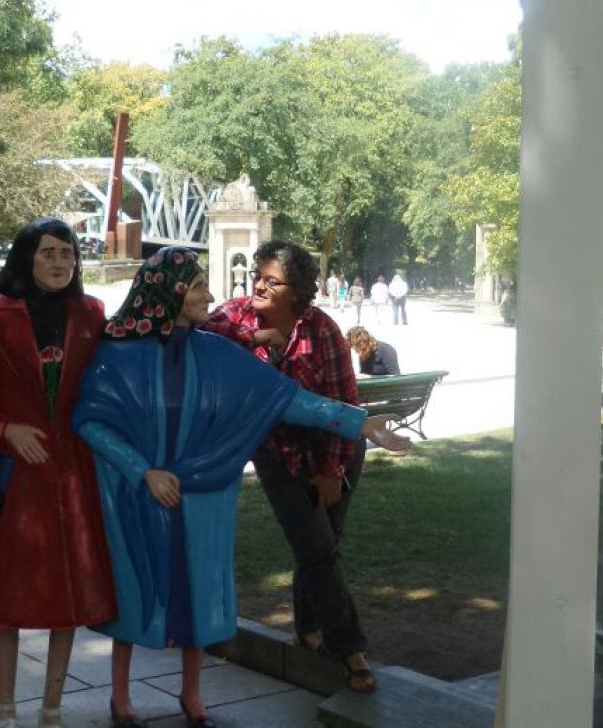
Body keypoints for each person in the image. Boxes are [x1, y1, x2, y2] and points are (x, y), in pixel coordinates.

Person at [72, 247, 408, 728]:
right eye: (199, 285)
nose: (212, 294)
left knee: (198, 590)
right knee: (135, 588)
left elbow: (288, 398)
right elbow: (89, 420)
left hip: (201, 493)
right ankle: (120, 695)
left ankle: (192, 693)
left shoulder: (215, 354)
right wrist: (141, 470)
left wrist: (359, 423)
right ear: (173, 292)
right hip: (140, 495)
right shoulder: (117, 356)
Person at [0, 218, 117, 728]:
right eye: (48, 252)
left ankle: (52, 709)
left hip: (72, 474)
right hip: (11, 474)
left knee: (68, 596)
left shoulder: (91, 312)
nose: (59, 262)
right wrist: (3, 429)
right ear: (27, 257)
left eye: (67, 253)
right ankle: (4, 712)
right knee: (8, 598)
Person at [202, 240, 381, 695]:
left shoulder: (322, 330)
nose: (259, 284)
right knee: (319, 549)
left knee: (321, 546)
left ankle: (306, 629)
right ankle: (350, 649)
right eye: (258, 275)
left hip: (335, 449)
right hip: (276, 453)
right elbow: (196, 337)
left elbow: (345, 401)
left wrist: (330, 471)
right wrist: (258, 338)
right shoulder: (237, 315)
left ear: (298, 290)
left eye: (272, 280)